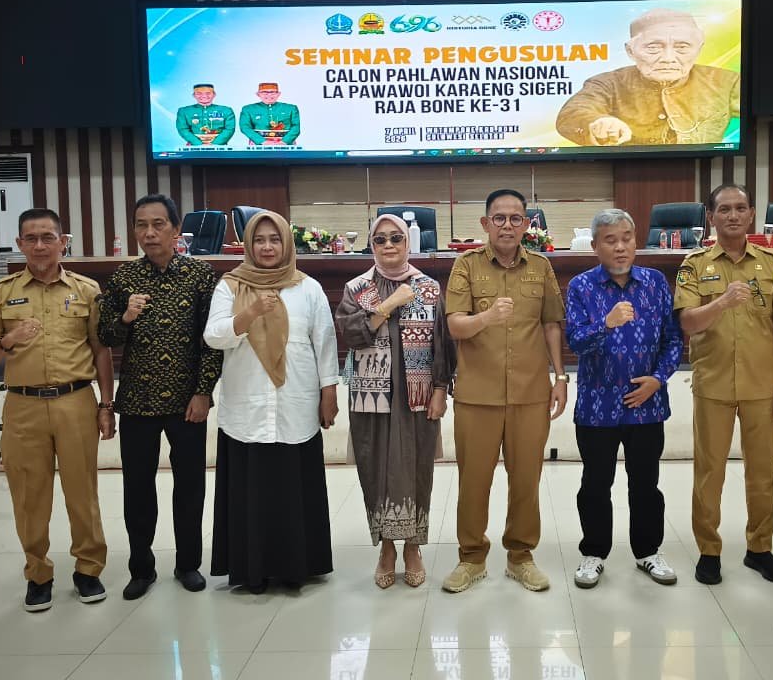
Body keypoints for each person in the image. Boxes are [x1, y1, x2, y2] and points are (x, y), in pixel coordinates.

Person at [0, 208, 114, 612]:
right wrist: (9, 340)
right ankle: (38, 574)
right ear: (19, 244)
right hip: (23, 406)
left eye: (48, 237)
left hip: (75, 402)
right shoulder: (1, 292)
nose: (40, 245)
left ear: (62, 242)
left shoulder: (86, 290)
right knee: (29, 496)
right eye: (30, 238)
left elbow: (101, 351)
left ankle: (88, 570)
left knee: (82, 493)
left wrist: (106, 405)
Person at [203, 210, 340, 593]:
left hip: (295, 403)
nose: (267, 247)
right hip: (247, 407)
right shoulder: (230, 286)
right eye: (259, 240)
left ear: (286, 243)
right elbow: (214, 336)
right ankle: (252, 572)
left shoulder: (307, 288)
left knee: (293, 489)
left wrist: (329, 391)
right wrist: (248, 313)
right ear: (249, 244)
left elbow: (324, 342)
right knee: (251, 491)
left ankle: (297, 568)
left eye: (274, 239)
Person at [442, 188, 568, 593]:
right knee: (473, 481)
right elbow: (455, 325)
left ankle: (520, 556)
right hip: (477, 394)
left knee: (527, 480)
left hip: (531, 392)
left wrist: (560, 377)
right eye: (499, 218)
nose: (508, 225)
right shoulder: (466, 265)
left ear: (527, 224)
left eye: (516, 218)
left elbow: (551, 324)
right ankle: (471, 558)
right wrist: (487, 318)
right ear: (485, 223)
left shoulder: (541, 267)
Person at [97, 194, 222, 600]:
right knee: (137, 488)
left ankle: (188, 564)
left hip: (187, 402)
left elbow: (212, 341)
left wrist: (203, 392)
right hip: (138, 401)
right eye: (141, 225)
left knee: (190, 487)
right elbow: (105, 336)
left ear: (175, 229)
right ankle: (141, 567)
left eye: (158, 224)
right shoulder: (123, 277)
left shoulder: (200, 275)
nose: (149, 233)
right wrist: (126, 316)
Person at [674, 183, 773, 585]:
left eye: (740, 208)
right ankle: (709, 551)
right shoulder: (694, 264)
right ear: (711, 217)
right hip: (713, 384)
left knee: (763, 473)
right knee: (709, 473)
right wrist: (722, 302)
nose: (732, 215)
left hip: (763, 385)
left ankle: (760, 548)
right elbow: (688, 322)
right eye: (724, 209)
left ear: (751, 214)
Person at [335, 215, 456, 588]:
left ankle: (413, 547)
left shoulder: (428, 288)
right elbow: (351, 334)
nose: (388, 245)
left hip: (416, 396)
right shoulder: (357, 288)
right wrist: (387, 305)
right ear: (372, 246)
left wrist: (440, 390)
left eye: (396, 239)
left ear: (408, 243)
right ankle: (386, 547)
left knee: (417, 467)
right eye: (380, 240)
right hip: (372, 397)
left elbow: (443, 344)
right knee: (375, 468)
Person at [565, 209, 683, 589]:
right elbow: (575, 342)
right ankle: (594, 553)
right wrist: (606, 323)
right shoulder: (581, 286)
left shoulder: (655, 283)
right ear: (595, 246)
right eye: (611, 240)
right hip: (597, 407)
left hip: (646, 404)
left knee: (645, 484)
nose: (620, 247)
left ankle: (647, 551)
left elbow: (673, 339)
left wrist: (658, 380)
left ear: (636, 240)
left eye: (626, 238)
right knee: (595, 484)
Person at [556, 8, 740, 146]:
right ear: (631, 51)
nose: (668, 58)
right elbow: (572, 114)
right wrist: (598, 123)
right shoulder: (607, 83)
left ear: (698, 49)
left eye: (682, 47)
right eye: (653, 47)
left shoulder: (728, 82)